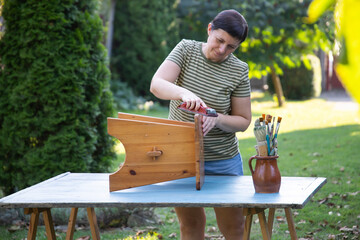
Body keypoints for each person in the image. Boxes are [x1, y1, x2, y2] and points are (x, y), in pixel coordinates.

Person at [150, 9, 251, 240]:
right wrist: (184, 93)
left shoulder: (239, 70)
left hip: (223, 160)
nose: (223, 50)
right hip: (180, 156)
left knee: (234, 228)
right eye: (220, 40)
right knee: (191, 226)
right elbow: (157, 84)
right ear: (209, 30)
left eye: (231, 47)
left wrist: (217, 120)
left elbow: (243, 121)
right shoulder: (186, 49)